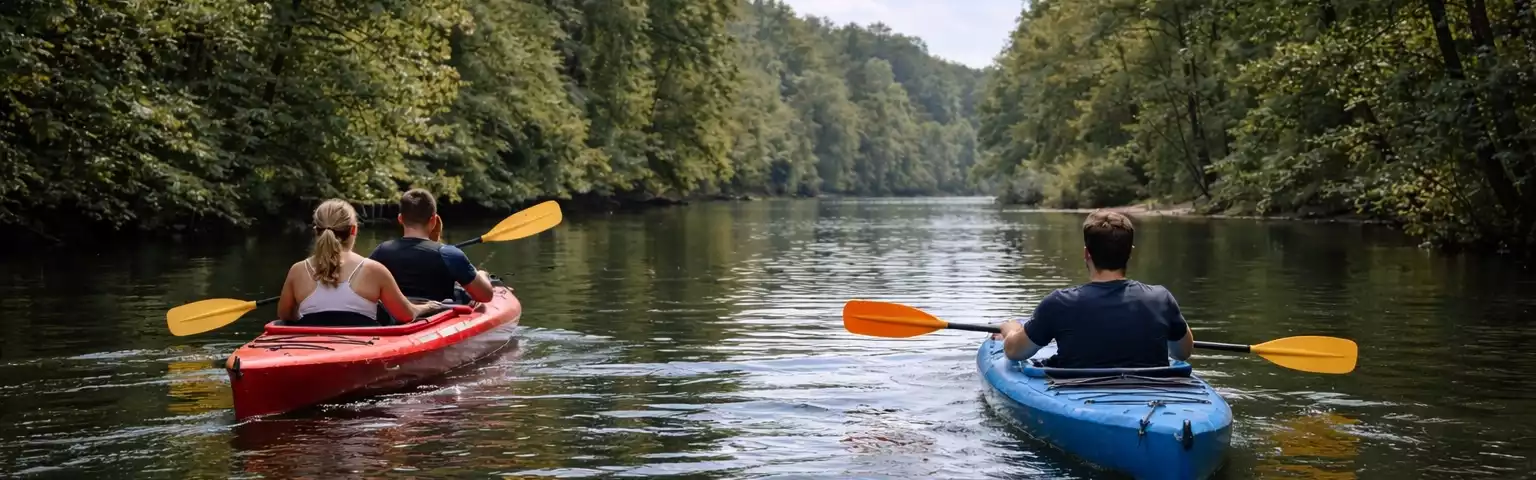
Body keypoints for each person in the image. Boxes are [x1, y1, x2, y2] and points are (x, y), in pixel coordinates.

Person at [994, 210, 1194, 368]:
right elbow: (1182, 353)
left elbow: (1014, 351)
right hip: (1153, 394)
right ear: (1130, 253)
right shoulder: (1161, 298)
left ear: (1086, 254)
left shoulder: (1059, 303)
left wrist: (1010, 328)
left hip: (1078, 395)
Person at [277, 199, 442, 327]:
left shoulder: (297, 270)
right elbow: (406, 315)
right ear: (354, 230)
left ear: (316, 231)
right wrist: (427, 307)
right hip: (363, 345)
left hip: (309, 345)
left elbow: (285, 315)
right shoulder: (374, 270)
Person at [368, 188, 494, 311]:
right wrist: (482, 274)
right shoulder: (450, 254)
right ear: (433, 220)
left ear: (400, 219)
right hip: (436, 318)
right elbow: (485, 296)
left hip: (392, 319)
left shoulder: (381, 251)